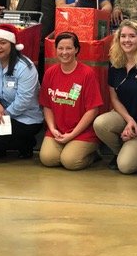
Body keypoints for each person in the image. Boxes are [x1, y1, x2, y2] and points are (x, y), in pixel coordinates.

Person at [93, 20, 137, 174]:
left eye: (132, 36)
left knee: (126, 167)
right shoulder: (115, 64)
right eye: (123, 36)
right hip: (125, 117)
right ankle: (120, 151)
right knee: (100, 123)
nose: (127, 40)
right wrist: (129, 120)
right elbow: (114, 98)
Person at [0, 24, 43, 160]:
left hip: (25, 118)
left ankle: (27, 144)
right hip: (1, 110)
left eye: (3, 43)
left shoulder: (25, 67)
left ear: (12, 45)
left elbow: (23, 101)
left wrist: (0, 117)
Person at [39, 32, 103, 170]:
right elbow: (47, 105)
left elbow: (93, 110)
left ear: (76, 50)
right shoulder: (50, 73)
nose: (64, 52)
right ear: (56, 50)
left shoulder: (87, 74)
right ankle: (69, 149)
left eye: (69, 48)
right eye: (60, 48)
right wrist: (52, 128)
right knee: (47, 159)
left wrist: (72, 135)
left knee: (70, 162)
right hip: (58, 130)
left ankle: (93, 154)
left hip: (83, 131)